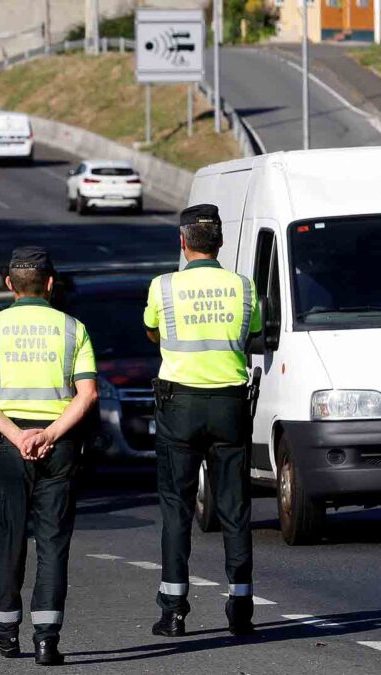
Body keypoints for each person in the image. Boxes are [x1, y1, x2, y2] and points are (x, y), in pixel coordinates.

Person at [0, 246, 98, 666]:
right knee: (53, 544)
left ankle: (5, 631)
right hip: (58, 446)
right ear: (51, 284)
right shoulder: (74, 329)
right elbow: (88, 394)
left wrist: (17, 435)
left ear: (9, 285)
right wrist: (51, 433)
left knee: (8, 541)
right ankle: (47, 638)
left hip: (9, 447)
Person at [142, 204, 261, 638]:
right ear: (221, 242)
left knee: (176, 507)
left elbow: (152, 331)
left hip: (180, 405)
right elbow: (253, 333)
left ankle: (173, 610)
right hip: (229, 404)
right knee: (234, 507)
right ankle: (241, 604)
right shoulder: (244, 288)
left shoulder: (164, 287)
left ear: (183, 241)